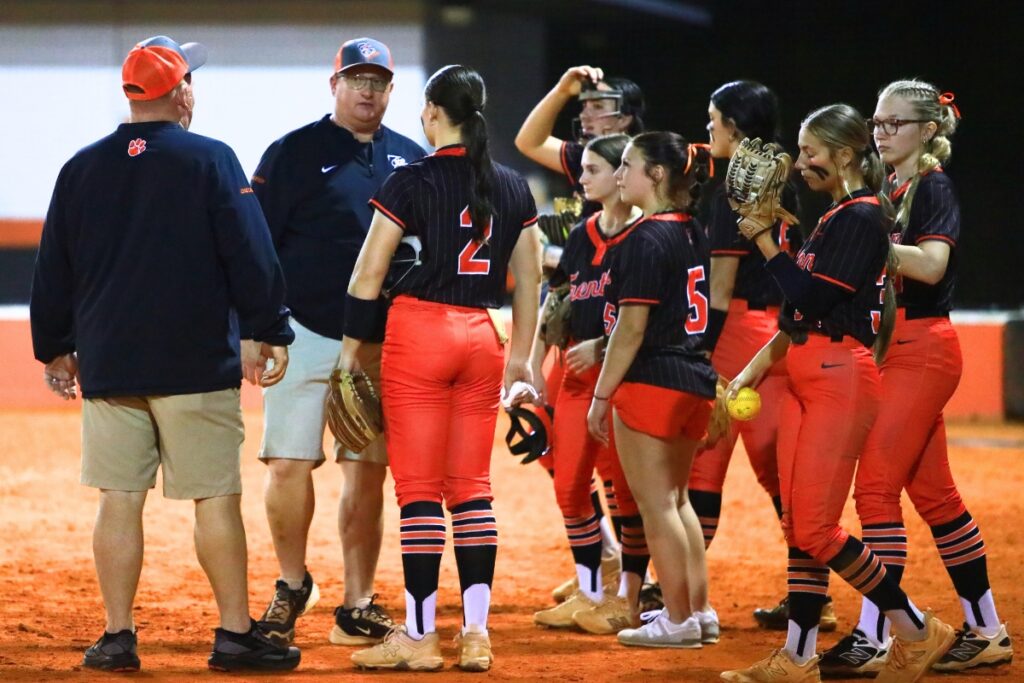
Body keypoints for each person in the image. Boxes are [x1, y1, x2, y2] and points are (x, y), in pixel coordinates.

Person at [29, 36, 299, 673]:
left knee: (118, 497)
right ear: (179, 92)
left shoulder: (81, 166)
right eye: (190, 82)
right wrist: (270, 328)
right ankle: (235, 635)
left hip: (110, 364)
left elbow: (52, 267)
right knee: (214, 498)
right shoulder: (211, 160)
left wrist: (55, 348)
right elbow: (250, 254)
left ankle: (117, 637)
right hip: (194, 363)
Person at [721, 104, 955, 683]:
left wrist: (765, 242)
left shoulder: (861, 215)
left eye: (811, 152)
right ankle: (798, 658)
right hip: (810, 370)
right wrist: (752, 370)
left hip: (837, 374)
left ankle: (917, 629)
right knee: (801, 522)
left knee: (817, 529)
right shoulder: (838, 216)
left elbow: (809, 301)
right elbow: (798, 312)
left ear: (845, 155)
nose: (801, 163)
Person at [339, 65, 542, 672]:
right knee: (473, 489)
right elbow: (530, 281)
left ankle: (421, 636)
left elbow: (367, 276)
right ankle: (476, 634)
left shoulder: (413, 180)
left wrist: (350, 352)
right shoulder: (510, 185)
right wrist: (522, 357)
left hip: (419, 334)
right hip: (483, 335)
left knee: (420, 493)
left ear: (432, 113)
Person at [820, 80, 1013, 676]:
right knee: (934, 496)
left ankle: (878, 634)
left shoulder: (933, 187)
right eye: (877, 123)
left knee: (875, 487)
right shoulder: (886, 189)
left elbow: (931, 265)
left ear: (928, 130)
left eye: (894, 123)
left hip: (921, 348)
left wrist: (866, 239)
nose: (881, 133)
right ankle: (986, 629)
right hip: (892, 348)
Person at [249, 37, 425, 648]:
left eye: (378, 81)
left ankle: (357, 600)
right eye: (356, 79)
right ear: (335, 86)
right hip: (302, 332)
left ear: (390, 90)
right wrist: (255, 328)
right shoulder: (293, 152)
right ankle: (291, 583)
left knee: (366, 472)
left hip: (380, 343)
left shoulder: (410, 158)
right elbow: (257, 246)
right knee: (289, 465)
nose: (367, 91)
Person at [691, 80, 836, 633]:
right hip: (778, 331)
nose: (707, 131)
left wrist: (700, 354)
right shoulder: (785, 184)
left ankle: (682, 594)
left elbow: (720, 291)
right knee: (781, 474)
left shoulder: (736, 190)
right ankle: (812, 597)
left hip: (738, 336)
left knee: (705, 463)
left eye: (713, 122)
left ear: (735, 126)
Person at [585, 132, 718, 648]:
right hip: (693, 379)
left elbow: (630, 328)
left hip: (653, 380)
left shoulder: (645, 237)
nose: (621, 175)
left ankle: (679, 618)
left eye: (628, 165)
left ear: (657, 174)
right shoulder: (693, 230)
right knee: (678, 501)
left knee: (656, 506)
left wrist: (600, 395)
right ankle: (699, 611)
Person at [529, 134, 650, 635]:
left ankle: (630, 597)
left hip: (630, 380)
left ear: (621, 175)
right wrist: (534, 363)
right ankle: (590, 589)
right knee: (568, 485)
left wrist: (602, 348)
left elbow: (651, 322)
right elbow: (557, 303)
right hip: (578, 381)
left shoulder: (649, 236)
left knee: (627, 493)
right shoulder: (583, 234)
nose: (582, 179)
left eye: (592, 170)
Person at [515, 65, 645, 213]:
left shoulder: (645, 163)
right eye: (584, 106)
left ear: (624, 119)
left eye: (597, 106)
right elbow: (528, 143)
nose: (584, 115)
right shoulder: (584, 155)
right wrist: (561, 91)